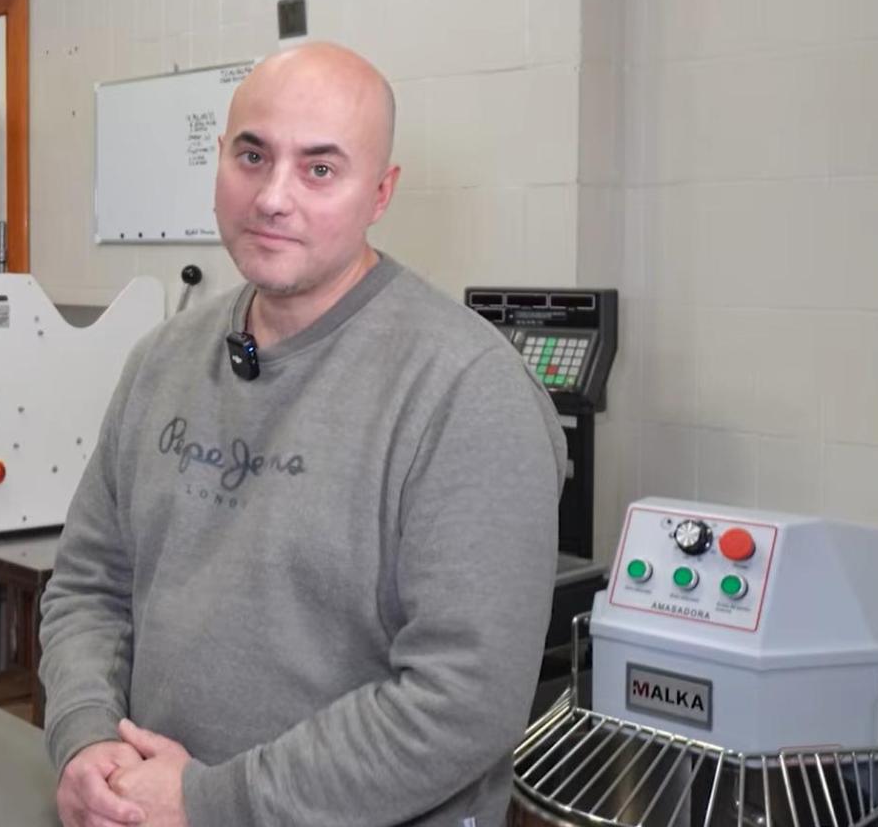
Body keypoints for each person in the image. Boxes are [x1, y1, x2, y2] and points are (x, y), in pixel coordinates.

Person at [39, 42, 566, 827]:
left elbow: (462, 700)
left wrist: (210, 802)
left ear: (380, 193)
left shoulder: (466, 390)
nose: (272, 198)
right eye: (252, 156)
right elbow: (89, 584)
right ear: (220, 158)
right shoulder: (162, 361)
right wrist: (85, 739)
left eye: (320, 168)